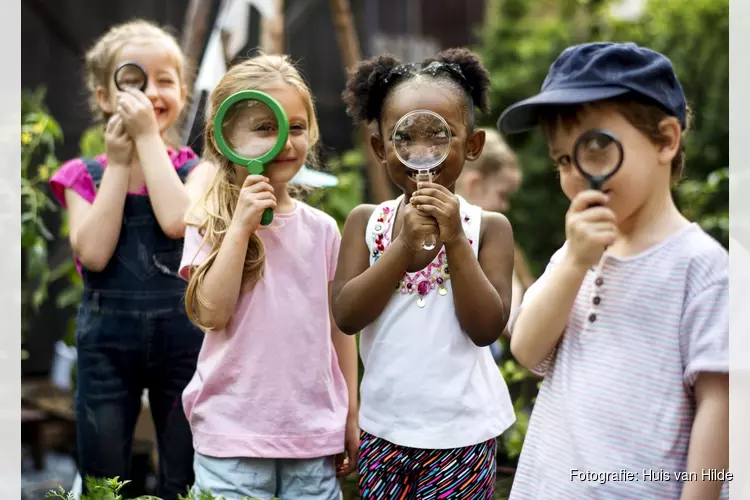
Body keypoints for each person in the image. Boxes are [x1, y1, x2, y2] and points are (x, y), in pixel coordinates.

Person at [497, 42, 729, 499]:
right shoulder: (575, 253)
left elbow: (720, 407)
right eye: (563, 160)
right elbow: (525, 348)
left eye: (595, 148)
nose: (576, 174)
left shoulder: (702, 268)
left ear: (665, 139)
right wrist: (577, 262)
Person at [335, 48, 516, 499]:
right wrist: (400, 249)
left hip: (463, 435)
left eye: (439, 137)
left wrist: (455, 239)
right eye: (405, 139)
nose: (423, 154)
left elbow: (485, 329)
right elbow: (346, 316)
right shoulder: (366, 222)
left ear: (472, 146)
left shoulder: (488, 229)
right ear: (380, 147)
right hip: (384, 431)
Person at [179, 54, 359, 500]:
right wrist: (239, 228)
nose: (285, 140)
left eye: (296, 127)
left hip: (311, 440)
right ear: (225, 138)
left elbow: (340, 330)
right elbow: (212, 313)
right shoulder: (209, 221)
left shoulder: (322, 230)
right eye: (264, 128)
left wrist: (350, 413)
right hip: (231, 440)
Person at [49, 19, 208, 499]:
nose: (152, 92)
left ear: (182, 93)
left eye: (165, 81)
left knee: (186, 469)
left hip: (184, 338)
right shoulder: (84, 174)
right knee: (104, 470)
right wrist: (119, 163)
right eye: (136, 80)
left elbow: (179, 221)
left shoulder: (195, 169)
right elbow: (94, 253)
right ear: (104, 97)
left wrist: (146, 143)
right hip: (106, 347)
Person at [456, 128, 535, 360]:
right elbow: (506, 320)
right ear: (475, 185)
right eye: (502, 195)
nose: (505, 206)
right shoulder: (470, 245)